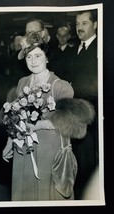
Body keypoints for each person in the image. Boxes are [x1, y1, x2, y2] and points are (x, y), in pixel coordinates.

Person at [0, 32, 95, 201]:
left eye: (38, 55)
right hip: (24, 152)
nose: (33, 61)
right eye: (29, 56)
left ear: (47, 57)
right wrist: (10, 142)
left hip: (48, 153)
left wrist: (37, 125)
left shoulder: (59, 85)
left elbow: (73, 123)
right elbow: (15, 117)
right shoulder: (22, 83)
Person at [69, 9, 98, 199]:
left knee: (89, 160)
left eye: (84, 23)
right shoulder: (74, 50)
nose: (79, 27)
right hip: (75, 115)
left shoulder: (100, 49)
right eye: (78, 24)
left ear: (95, 25)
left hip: (93, 117)